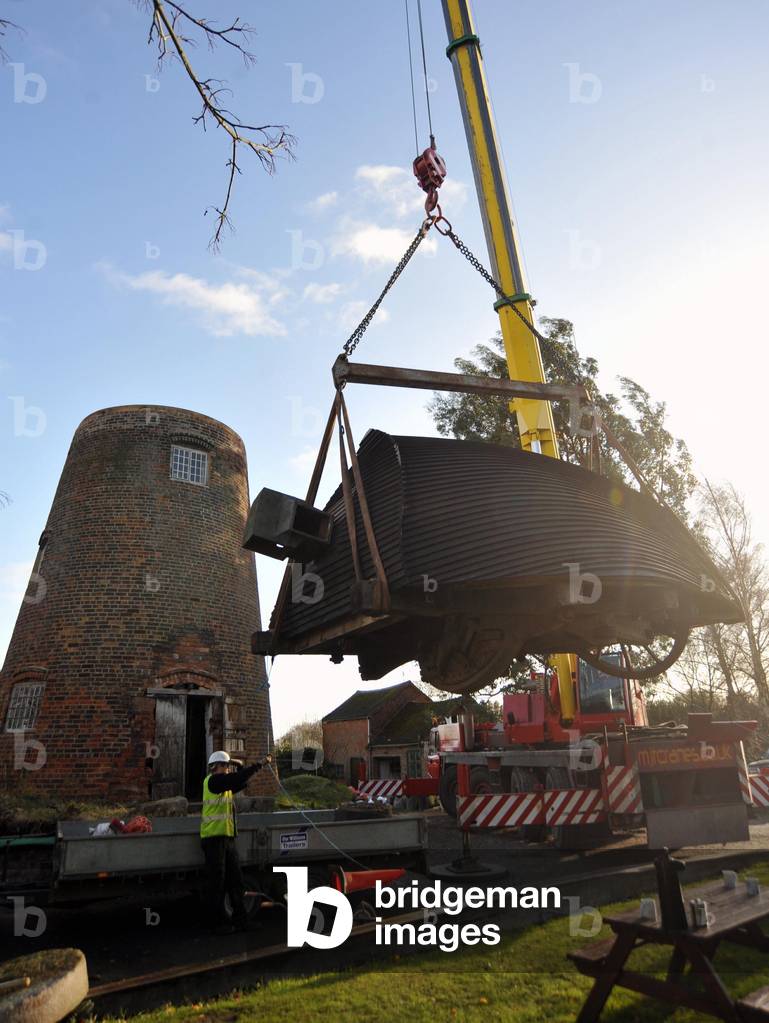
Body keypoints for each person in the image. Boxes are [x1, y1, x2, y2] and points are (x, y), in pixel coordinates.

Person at [200, 749, 270, 933]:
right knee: (217, 883)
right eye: (225, 766)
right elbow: (234, 780)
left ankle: (241, 920)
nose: (227, 769)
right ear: (216, 767)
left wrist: (249, 772)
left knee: (236, 881)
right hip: (214, 839)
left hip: (227, 839)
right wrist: (259, 764)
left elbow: (240, 782)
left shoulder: (224, 784)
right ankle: (214, 925)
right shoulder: (214, 782)